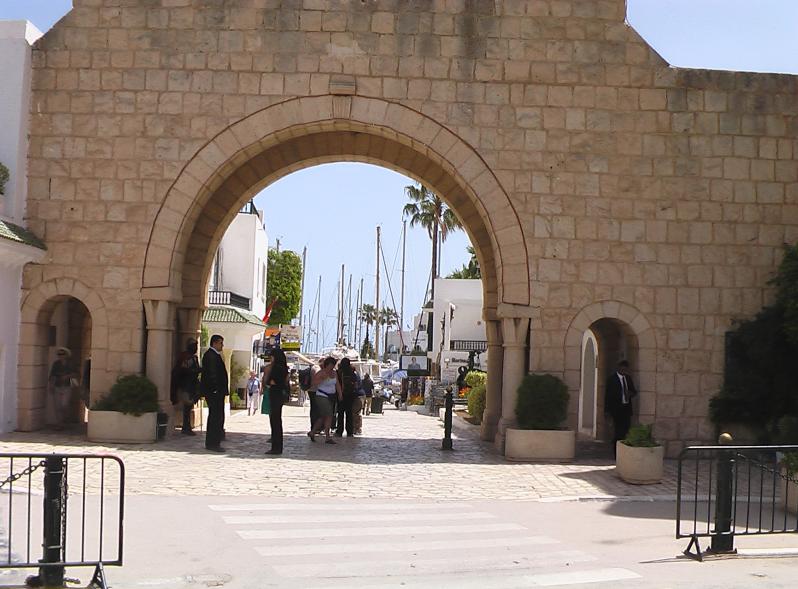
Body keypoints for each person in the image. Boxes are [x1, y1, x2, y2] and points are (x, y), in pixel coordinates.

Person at [201, 334, 228, 452]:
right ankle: (213, 443)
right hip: (214, 392)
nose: (222, 345)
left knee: (218, 416)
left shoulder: (215, 355)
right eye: (221, 343)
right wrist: (215, 389)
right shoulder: (211, 356)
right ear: (215, 343)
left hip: (217, 392)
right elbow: (212, 374)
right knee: (215, 417)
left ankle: (215, 441)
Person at [604, 360, 638, 450]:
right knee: (618, 432)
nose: (624, 371)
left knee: (626, 430)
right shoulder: (612, 380)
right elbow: (607, 396)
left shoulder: (628, 378)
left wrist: (630, 393)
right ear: (618, 369)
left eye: (625, 370)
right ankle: (616, 450)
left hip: (626, 409)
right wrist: (607, 411)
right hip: (616, 409)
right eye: (622, 369)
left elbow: (634, 391)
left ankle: (623, 449)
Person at [171, 338, 200, 435]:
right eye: (194, 346)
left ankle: (187, 426)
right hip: (185, 384)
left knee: (189, 406)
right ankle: (185, 427)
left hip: (192, 384)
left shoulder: (194, 358)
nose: (195, 348)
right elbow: (183, 370)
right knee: (186, 405)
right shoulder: (185, 356)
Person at [308, 357, 338, 444]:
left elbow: (337, 384)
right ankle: (328, 437)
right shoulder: (321, 373)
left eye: (333, 365)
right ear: (327, 365)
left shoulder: (334, 373)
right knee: (329, 415)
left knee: (323, 416)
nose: (332, 367)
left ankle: (312, 432)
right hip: (322, 395)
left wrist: (339, 394)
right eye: (331, 365)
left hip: (331, 396)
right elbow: (313, 383)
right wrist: (322, 379)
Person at [265, 348, 289, 455]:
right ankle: (277, 446)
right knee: (277, 421)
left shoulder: (276, 368)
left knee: (275, 421)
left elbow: (270, 381)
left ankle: (276, 447)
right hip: (280, 395)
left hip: (275, 394)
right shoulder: (284, 368)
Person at [48, 347, 77, 428]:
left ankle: (66, 418)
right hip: (57, 386)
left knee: (64, 404)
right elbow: (52, 375)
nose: (60, 356)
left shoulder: (71, 364)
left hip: (67, 386)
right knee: (57, 406)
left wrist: (67, 376)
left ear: (66, 355)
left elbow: (76, 373)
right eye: (59, 354)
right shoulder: (56, 364)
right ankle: (59, 423)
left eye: (62, 354)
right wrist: (51, 385)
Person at [335, 358, 357, 437]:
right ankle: (350, 432)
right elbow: (355, 383)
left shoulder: (339, 372)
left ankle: (339, 431)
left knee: (340, 414)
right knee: (349, 414)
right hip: (350, 395)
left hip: (340, 395)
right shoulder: (352, 372)